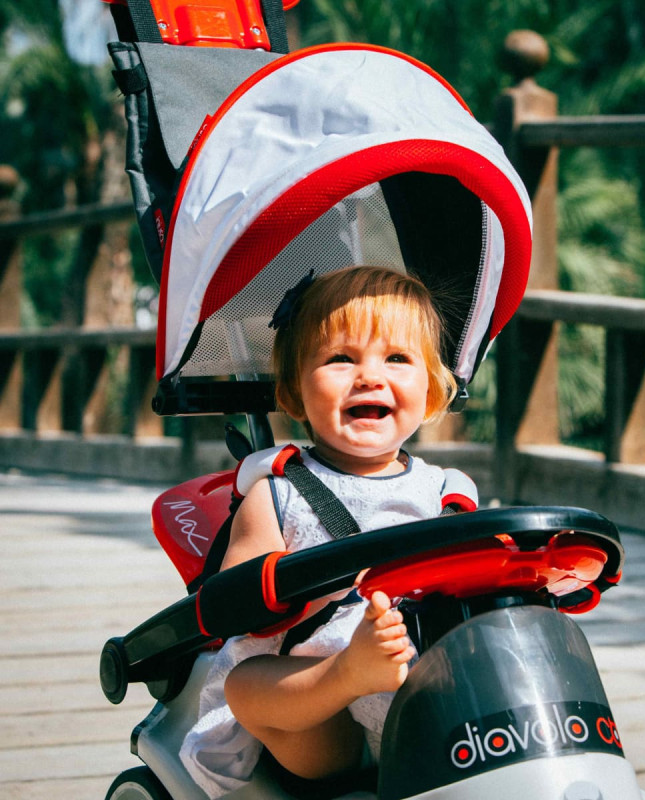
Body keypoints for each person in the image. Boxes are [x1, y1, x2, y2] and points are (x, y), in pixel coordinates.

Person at [180, 265, 477, 799]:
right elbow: (233, 605)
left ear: (433, 391)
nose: (369, 377)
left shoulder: (447, 495)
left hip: (438, 697)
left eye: (397, 358)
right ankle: (349, 672)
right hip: (328, 720)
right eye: (341, 358)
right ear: (295, 392)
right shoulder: (278, 493)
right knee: (245, 685)